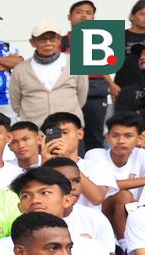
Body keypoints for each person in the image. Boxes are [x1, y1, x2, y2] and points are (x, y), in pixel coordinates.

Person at [0, 167, 116, 255]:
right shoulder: (1, 249)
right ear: (19, 207)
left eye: (45, 193)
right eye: (26, 196)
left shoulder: (93, 249)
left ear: (67, 200)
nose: (35, 200)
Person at [10, 23, 88, 129]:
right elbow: (16, 103)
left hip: (69, 129)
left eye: (52, 39)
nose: (48, 43)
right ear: (32, 42)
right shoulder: (20, 69)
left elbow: (81, 95)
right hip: (35, 132)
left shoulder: (75, 63)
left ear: (59, 40)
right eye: (42, 39)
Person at [61, 0, 113, 152]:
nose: (83, 15)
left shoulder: (100, 41)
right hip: (69, 92)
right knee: (67, 133)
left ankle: (92, 170)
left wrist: (112, 85)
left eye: (88, 12)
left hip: (95, 92)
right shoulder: (61, 41)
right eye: (79, 12)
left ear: (93, 18)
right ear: (69, 17)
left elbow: (104, 68)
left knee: (94, 136)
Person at [41, 112, 118, 209]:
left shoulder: (95, 165)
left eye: (65, 132)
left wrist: (67, 161)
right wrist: (45, 166)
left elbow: (97, 198)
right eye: (55, 135)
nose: (60, 139)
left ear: (80, 133)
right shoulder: (39, 166)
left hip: (86, 222)